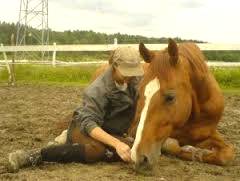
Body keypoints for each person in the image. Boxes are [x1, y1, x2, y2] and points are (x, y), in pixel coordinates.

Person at [8, 46, 144, 172]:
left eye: (133, 73)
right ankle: (34, 155)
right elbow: (89, 124)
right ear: (114, 65)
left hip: (111, 130)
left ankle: (68, 140)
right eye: (126, 73)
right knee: (96, 150)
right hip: (87, 127)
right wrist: (116, 144)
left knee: (133, 150)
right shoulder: (98, 89)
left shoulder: (134, 80)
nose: (130, 77)